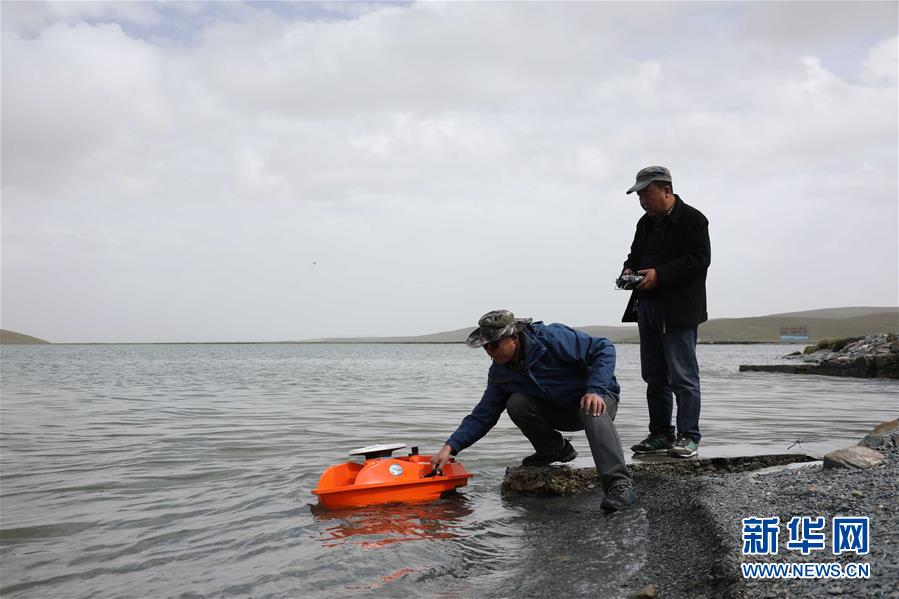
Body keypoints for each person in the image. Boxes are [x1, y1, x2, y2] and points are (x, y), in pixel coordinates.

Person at [430, 310, 636, 512]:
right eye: (485, 346)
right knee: (517, 403)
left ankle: (620, 485)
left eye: (493, 344)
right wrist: (450, 447)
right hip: (561, 411)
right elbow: (483, 415)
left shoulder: (551, 338)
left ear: (513, 337)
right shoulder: (500, 373)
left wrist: (596, 390)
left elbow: (604, 348)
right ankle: (555, 450)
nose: (489, 351)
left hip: (599, 399)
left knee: (592, 408)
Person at [620, 166, 711, 459]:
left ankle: (689, 437)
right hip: (647, 307)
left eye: (647, 194)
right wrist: (628, 269)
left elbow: (699, 260)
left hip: (680, 310)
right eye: (639, 196)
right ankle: (661, 434)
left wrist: (660, 274)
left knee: (683, 376)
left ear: (666, 191)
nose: (643, 200)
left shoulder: (694, 220)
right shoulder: (644, 224)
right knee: (654, 376)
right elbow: (635, 255)